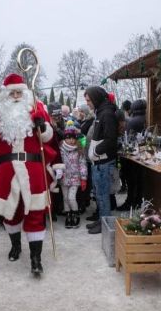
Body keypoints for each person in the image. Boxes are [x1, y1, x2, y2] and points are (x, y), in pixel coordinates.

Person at [0, 73, 54, 274]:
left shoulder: (36, 107)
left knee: (35, 210)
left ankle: (36, 259)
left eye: (19, 92)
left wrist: (41, 126)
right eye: (12, 92)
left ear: (25, 92)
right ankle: (16, 246)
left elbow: (48, 137)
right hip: (8, 168)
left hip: (32, 166)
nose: (16, 95)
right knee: (11, 211)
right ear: (5, 95)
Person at [85, 87, 118, 235]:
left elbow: (111, 139)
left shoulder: (107, 114)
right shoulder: (101, 112)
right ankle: (101, 220)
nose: (87, 104)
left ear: (96, 98)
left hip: (103, 162)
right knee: (98, 194)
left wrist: (96, 151)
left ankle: (106, 224)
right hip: (98, 162)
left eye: (89, 100)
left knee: (103, 195)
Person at [117, 99, 146, 211]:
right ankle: (138, 201)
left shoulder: (132, 121)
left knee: (131, 181)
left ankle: (130, 203)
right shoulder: (145, 119)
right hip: (142, 156)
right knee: (139, 180)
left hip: (131, 157)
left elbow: (127, 139)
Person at [57, 121, 87, 228]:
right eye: (68, 138)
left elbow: (83, 164)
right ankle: (68, 215)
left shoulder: (79, 150)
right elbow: (58, 162)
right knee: (65, 198)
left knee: (71, 198)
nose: (71, 140)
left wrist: (83, 178)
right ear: (65, 138)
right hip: (64, 178)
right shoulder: (60, 150)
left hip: (75, 178)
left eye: (73, 138)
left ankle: (75, 213)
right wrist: (58, 171)